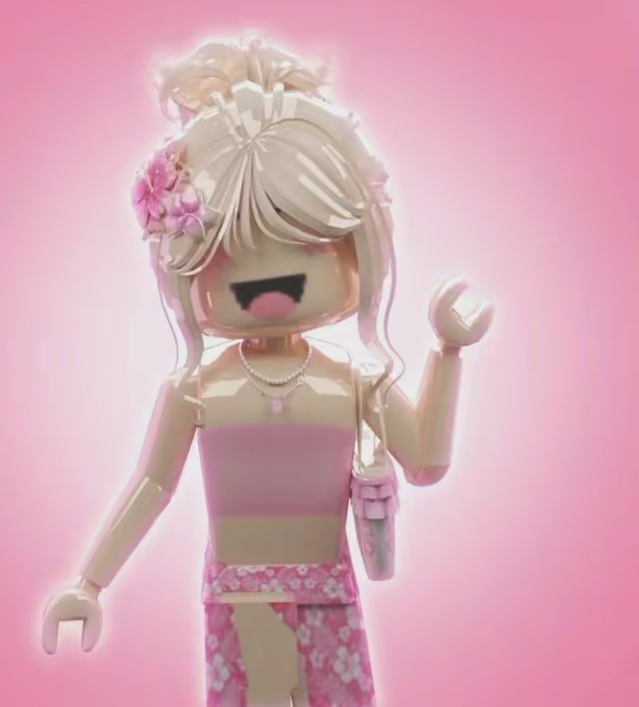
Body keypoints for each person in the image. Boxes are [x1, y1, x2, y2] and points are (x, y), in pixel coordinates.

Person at [41, 35, 493, 706]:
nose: (271, 283)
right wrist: (90, 581)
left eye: (305, 247)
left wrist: (447, 354)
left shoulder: (351, 380)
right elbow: (152, 486)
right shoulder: (197, 390)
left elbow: (424, 460)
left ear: (354, 251)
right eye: (231, 258)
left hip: (329, 590)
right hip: (239, 596)